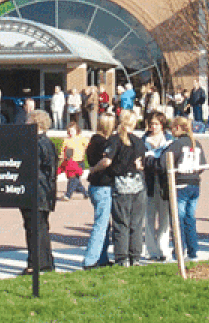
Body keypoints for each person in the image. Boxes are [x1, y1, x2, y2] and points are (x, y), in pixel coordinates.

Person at [92, 109, 145, 267]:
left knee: (121, 223)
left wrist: (94, 169)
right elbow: (140, 164)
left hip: (120, 184)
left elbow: (107, 161)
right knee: (136, 222)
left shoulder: (115, 140)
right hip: (137, 184)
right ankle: (135, 256)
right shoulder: (138, 141)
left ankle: (122, 258)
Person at [163, 116, 206, 261]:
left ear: (177, 128)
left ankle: (179, 251)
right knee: (190, 218)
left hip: (180, 184)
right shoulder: (197, 144)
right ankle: (193, 250)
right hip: (194, 184)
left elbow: (164, 162)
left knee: (178, 219)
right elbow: (202, 165)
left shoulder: (176, 144)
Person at [21, 109, 58, 272]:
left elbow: (30, 167)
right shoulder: (48, 142)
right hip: (45, 191)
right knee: (41, 228)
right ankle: (44, 262)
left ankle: (36, 264)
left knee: (34, 229)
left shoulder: (34, 143)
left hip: (34, 191)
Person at [82, 113, 116, 269]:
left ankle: (102, 257)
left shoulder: (93, 141)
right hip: (103, 185)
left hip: (95, 186)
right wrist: (95, 168)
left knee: (104, 224)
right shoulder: (105, 143)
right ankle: (90, 260)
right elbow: (106, 162)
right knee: (101, 224)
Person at [141, 111, 173, 263]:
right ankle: (151, 250)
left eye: (156, 124)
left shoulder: (169, 139)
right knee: (149, 217)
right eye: (151, 124)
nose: (153, 127)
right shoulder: (144, 139)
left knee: (164, 217)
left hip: (164, 182)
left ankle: (163, 248)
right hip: (148, 181)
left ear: (162, 125)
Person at [59, 121, 88, 200]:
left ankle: (68, 195)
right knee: (75, 181)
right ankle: (86, 193)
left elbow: (88, 146)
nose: (71, 132)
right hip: (70, 163)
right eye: (69, 131)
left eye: (72, 131)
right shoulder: (66, 140)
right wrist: (61, 158)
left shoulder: (81, 138)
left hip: (79, 162)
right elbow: (63, 150)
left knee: (73, 180)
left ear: (77, 130)